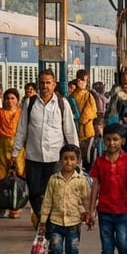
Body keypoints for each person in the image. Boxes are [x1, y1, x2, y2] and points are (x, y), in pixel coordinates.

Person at [12, 70, 79, 227]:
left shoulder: (62, 104)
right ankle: (43, 219)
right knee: (34, 193)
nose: (45, 86)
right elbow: (22, 130)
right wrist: (15, 153)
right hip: (33, 157)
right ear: (38, 84)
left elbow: (70, 130)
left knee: (55, 193)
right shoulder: (30, 103)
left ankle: (50, 225)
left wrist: (76, 156)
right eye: (42, 82)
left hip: (55, 158)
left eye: (48, 82)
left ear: (54, 84)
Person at [37, 144, 90, 254]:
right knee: (55, 250)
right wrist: (43, 222)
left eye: (72, 159)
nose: (68, 162)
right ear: (60, 161)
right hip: (55, 222)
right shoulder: (54, 179)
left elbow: (86, 200)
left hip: (74, 223)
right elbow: (47, 201)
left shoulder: (81, 180)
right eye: (65, 159)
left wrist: (88, 214)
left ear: (77, 161)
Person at [88, 124, 127, 254]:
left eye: (115, 139)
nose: (111, 143)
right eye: (108, 139)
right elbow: (95, 186)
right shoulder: (99, 162)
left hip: (123, 211)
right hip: (104, 211)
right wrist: (91, 210)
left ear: (123, 141)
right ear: (103, 140)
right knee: (107, 249)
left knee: (123, 245)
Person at [0, 88, 24, 218]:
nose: (9, 101)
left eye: (12, 98)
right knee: (1, 178)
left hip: (18, 149)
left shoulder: (21, 113)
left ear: (17, 100)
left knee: (18, 175)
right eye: (7, 98)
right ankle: (3, 204)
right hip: (0, 149)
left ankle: (15, 206)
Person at [71, 76, 98, 164]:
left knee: (87, 154)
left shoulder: (88, 95)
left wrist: (81, 120)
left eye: (83, 80)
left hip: (87, 130)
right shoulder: (72, 96)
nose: (81, 82)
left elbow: (91, 111)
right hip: (75, 129)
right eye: (79, 80)